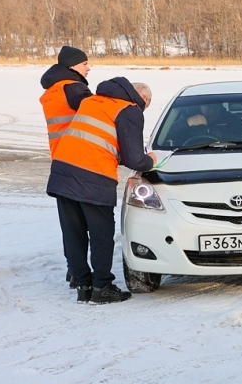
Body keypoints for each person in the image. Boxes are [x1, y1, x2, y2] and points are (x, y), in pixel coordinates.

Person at [46, 78, 157, 304]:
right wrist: (150, 160)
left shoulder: (93, 101)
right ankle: (102, 287)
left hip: (62, 171)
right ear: (143, 99)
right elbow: (134, 158)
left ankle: (82, 285)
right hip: (94, 175)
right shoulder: (130, 110)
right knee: (101, 235)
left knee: (73, 232)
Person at [40, 45, 92, 291]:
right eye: (85, 64)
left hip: (60, 162)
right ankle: (85, 275)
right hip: (80, 162)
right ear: (73, 66)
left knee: (71, 225)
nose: (88, 68)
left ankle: (74, 270)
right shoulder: (74, 88)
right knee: (90, 223)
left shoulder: (52, 90)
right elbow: (96, 113)